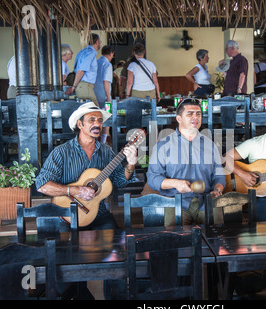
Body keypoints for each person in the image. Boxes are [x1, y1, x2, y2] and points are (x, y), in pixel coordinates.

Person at [35, 102, 137, 230]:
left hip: (99, 215)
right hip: (68, 216)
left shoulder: (106, 151)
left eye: (100, 121)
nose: (97, 124)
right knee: (67, 247)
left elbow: (119, 181)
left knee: (115, 244)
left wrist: (131, 163)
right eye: (91, 120)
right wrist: (76, 190)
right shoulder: (61, 152)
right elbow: (42, 185)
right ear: (80, 124)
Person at [147, 98, 226, 225]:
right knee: (178, 238)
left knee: (218, 234)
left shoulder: (210, 145)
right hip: (175, 203)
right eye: (190, 114)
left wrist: (217, 190)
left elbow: (219, 176)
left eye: (198, 114)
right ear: (179, 119)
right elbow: (152, 178)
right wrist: (175, 183)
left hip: (205, 202)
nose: (195, 117)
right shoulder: (163, 145)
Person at [65, 33, 101, 105]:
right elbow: (81, 71)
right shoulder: (90, 53)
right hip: (85, 86)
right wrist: (73, 87)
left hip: (82, 86)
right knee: (95, 110)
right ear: (97, 42)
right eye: (100, 42)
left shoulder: (82, 51)